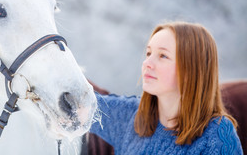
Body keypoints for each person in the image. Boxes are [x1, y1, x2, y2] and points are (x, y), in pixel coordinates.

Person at [90, 21, 243, 154]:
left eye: (163, 56)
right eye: (148, 53)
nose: (147, 63)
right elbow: (80, 105)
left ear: (192, 69)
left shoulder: (216, 136)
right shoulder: (129, 115)